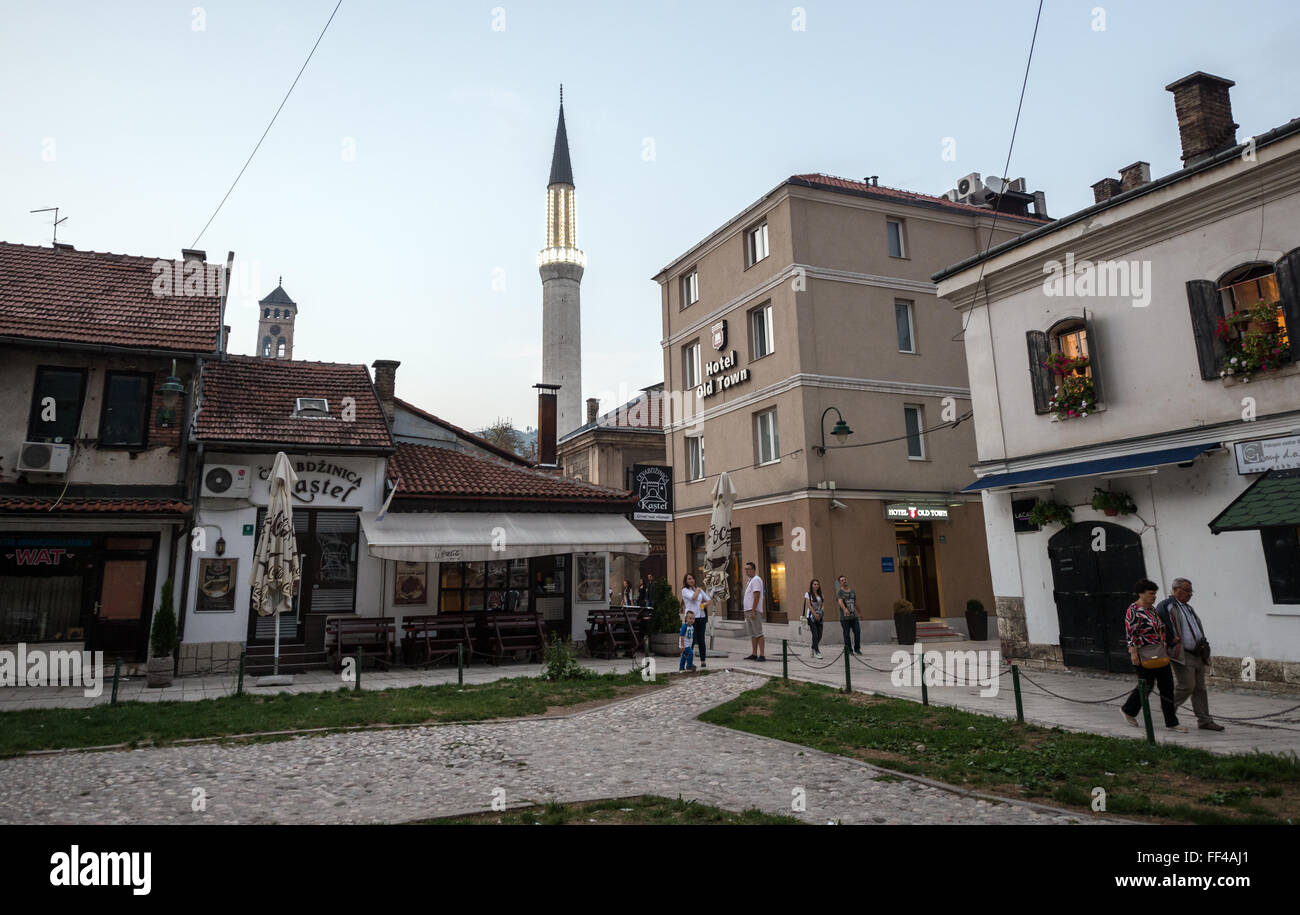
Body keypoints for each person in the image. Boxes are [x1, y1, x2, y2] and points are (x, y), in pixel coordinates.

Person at [1156, 578, 1223, 732]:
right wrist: (1171, 640)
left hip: (1198, 653)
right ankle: (1168, 709)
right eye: (1187, 590)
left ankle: (1204, 720)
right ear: (1176, 589)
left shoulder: (1188, 608)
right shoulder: (1166, 606)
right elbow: (1160, 627)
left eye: (1191, 590)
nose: (1190, 594)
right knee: (1187, 686)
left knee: (1200, 688)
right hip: (1182, 654)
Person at [1121, 578, 1186, 732]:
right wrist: (1133, 653)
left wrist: (1169, 640)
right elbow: (1131, 634)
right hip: (1144, 654)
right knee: (1146, 686)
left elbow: (1160, 629)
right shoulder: (1133, 610)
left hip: (1160, 652)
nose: (1154, 596)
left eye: (1155, 593)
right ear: (1141, 594)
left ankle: (1172, 722)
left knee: (1167, 687)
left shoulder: (1152, 609)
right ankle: (1128, 710)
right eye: (1151, 593)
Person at [681, 572, 711, 668]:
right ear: (686, 581)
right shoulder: (685, 590)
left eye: (693, 578)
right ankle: (688, 662)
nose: (691, 580)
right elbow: (693, 598)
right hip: (690, 619)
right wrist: (698, 591)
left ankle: (703, 661)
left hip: (701, 617)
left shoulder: (699, 589)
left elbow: (709, 600)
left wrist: (702, 605)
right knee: (690, 641)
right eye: (689, 579)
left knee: (701, 640)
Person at [742, 561, 766, 662]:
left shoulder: (756, 580)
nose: (746, 571)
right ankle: (754, 653)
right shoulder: (750, 580)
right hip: (748, 610)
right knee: (752, 633)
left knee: (758, 633)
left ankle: (762, 655)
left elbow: (756, 596)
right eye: (745, 569)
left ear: (753, 569)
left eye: (748, 569)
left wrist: (753, 610)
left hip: (753, 610)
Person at [836, 575, 861, 655]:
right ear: (840, 583)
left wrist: (860, 613)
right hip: (845, 618)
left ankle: (857, 649)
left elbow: (855, 603)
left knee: (857, 632)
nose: (844, 581)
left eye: (845, 579)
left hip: (854, 617)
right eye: (842, 580)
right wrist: (845, 609)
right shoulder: (840, 592)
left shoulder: (852, 592)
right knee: (846, 634)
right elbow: (840, 602)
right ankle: (849, 650)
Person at [804, 579, 825, 659]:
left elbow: (823, 605)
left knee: (820, 635)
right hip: (811, 617)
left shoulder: (821, 595)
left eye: (817, 584)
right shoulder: (808, 594)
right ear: (811, 585)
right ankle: (817, 651)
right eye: (814, 584)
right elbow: (808, 605)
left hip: (819, 616)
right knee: (815, 634)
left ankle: (813, 647)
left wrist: (820, 613)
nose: (816, 586)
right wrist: (815, 614)